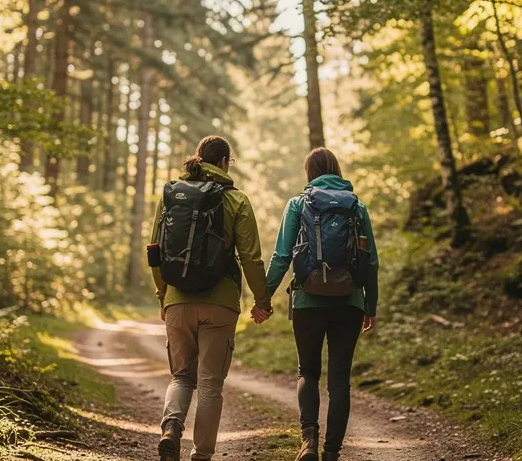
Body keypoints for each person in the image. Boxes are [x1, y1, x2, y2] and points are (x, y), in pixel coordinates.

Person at [149, 135, 273, 461]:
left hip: (177, 298)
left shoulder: (171, 194)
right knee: (209, 385)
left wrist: (164, 296)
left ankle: (171, 427)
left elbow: (155, 253)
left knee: (181, 377)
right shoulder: (237, 200)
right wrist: (262, 301)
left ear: (197, 159)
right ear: (223, 162)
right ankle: (200, 455)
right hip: (220, 303)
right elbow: (251, 259)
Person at [261, 147, 379, 461]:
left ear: (309, 172)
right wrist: (371, 306)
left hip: (307, 300)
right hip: (350, 301)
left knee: (308, 372)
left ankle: (308, 442)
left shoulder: (298, 204)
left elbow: (282, 257)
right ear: (337, 171)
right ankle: (331, 453)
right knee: (339, 379)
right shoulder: (357, 207)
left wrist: (264, 298)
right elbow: (371, 261)